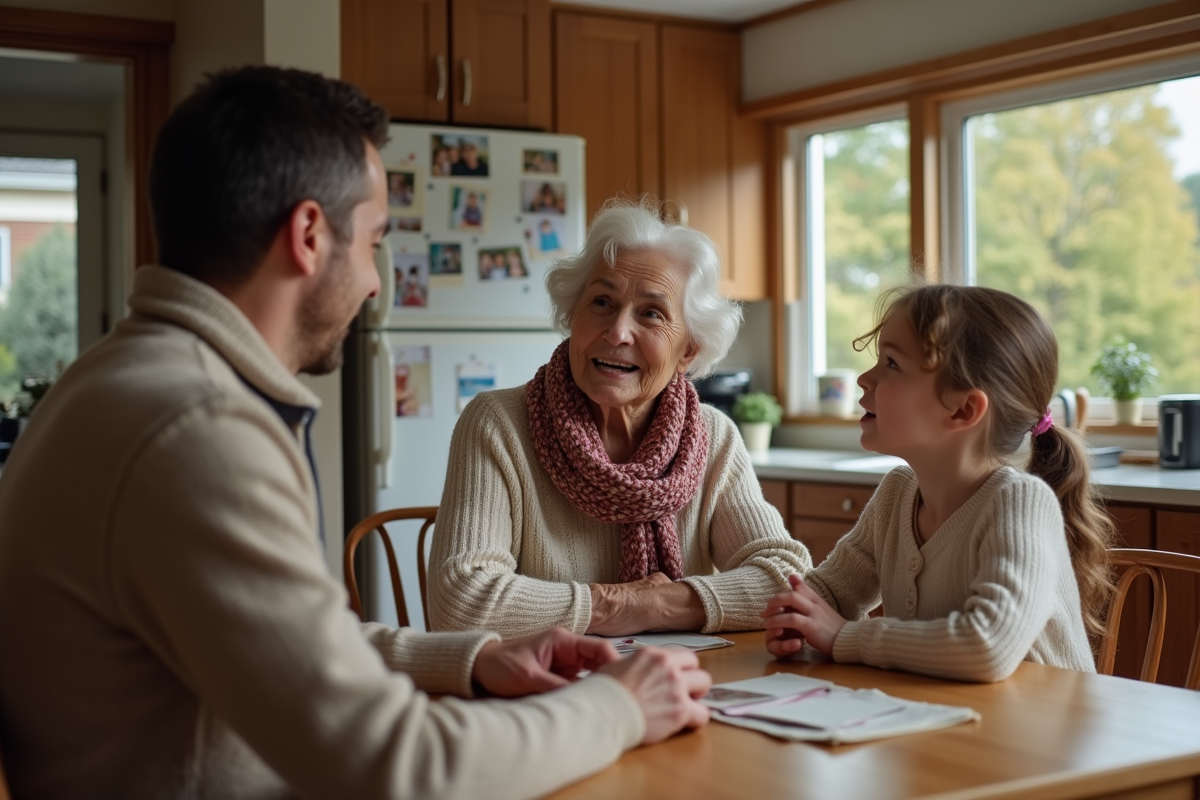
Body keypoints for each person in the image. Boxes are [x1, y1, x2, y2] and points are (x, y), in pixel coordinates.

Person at [0, 66, 713, 800]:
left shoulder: (117, 379)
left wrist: (468, 659)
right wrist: (620, 707)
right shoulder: (198, 430)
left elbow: (289, 648)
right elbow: (399, 765)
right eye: (374, 241)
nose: (376, 283)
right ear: (309, 235)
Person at [427, 200, 812, 639]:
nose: (617, 332)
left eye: (651, 313)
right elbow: (459, 602)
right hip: (549, 679)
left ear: (688, 351)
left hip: (681, 677)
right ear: (572, 315)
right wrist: (616, 605)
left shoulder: (712, 435)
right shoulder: (499, 425)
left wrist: (655, 604)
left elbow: (788, 581)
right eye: (601, 302)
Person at [761, 285, 1115, 682]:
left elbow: (987, 646)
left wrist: (844, 636)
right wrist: (796, 615)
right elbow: (831, 592)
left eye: (891, 363)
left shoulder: (1019, 502)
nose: (864, 378)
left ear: (963, 410)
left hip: (1038, 723)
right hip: (949, 716)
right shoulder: (897, 494)